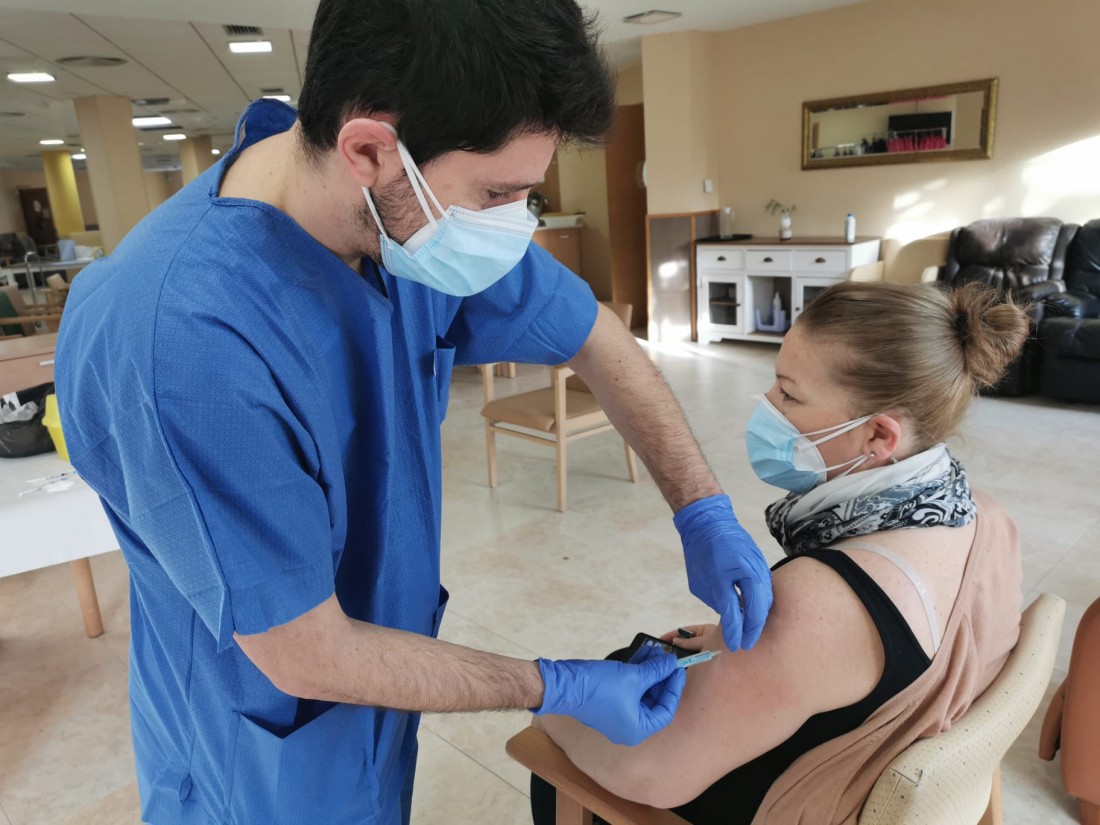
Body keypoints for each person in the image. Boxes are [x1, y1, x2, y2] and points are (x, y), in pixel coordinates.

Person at [54, 1, 773, 822]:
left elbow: (593, 334)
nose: (513, 222)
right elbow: (305, 652)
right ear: (368, 149)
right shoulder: (184, 340)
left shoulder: (407, 222)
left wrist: (702, 508)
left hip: (374, 705)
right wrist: (552, 685)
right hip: (252, 757)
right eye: (499, 192)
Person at [533, 281, 1029, 825]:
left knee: (561, 745)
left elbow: (648, 774)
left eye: (789, 395)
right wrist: (773, 661)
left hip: (803, 800)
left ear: (878, 436)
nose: (766, 406)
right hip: (876, 751)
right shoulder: (988, 516)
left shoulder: (821, 600)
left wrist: (552, 701)